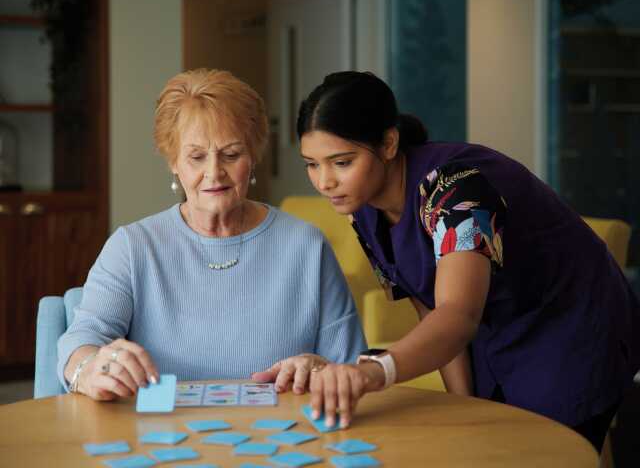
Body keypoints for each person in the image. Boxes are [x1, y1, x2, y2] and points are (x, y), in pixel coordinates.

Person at [253, 71, 640, 450]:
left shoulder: (457, 189)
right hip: (497, 330)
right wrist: (465, 407)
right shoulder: (364, 210)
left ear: (389, 143)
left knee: (542, 451)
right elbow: (431, 307)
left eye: (341, 162)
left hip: (572, 324)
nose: (324, 182)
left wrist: (373, 371)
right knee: (484, 440)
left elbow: (456, 315)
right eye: (312, 164)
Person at [57, 68, 366, 401]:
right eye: (196, 157)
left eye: (231, 155)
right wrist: (89, 368)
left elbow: (349, 367)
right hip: (160, 439)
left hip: (284, 436)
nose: (214, 172)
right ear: (173, 161)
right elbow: (81, 340)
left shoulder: (307, 246)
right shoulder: (133, 246)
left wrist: (319, 367)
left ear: (253, 156)